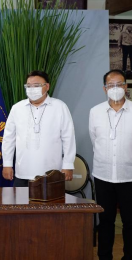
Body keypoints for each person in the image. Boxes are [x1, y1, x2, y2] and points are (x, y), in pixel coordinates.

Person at [2, 70, 75, 187]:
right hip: (23, 172)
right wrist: (7, 164)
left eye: (36, 86)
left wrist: (68, 165)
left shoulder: (60, 107)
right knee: (20, 205)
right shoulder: (17, 108)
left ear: (47, 87)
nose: (32, 89)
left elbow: (68, 138)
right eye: (28, 86)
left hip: (51, 173)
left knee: (51, 205)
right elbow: (8, 139)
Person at [89, 69, 132, 260]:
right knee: (105, 221)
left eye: (119, 84)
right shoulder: (95, 112)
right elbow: (94, 140)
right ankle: (104, 257)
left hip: (129, 175)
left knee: (130, 222)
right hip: (103, 175)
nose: (116, 88)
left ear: (126, 86)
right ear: (105, 89)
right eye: (111, 85)